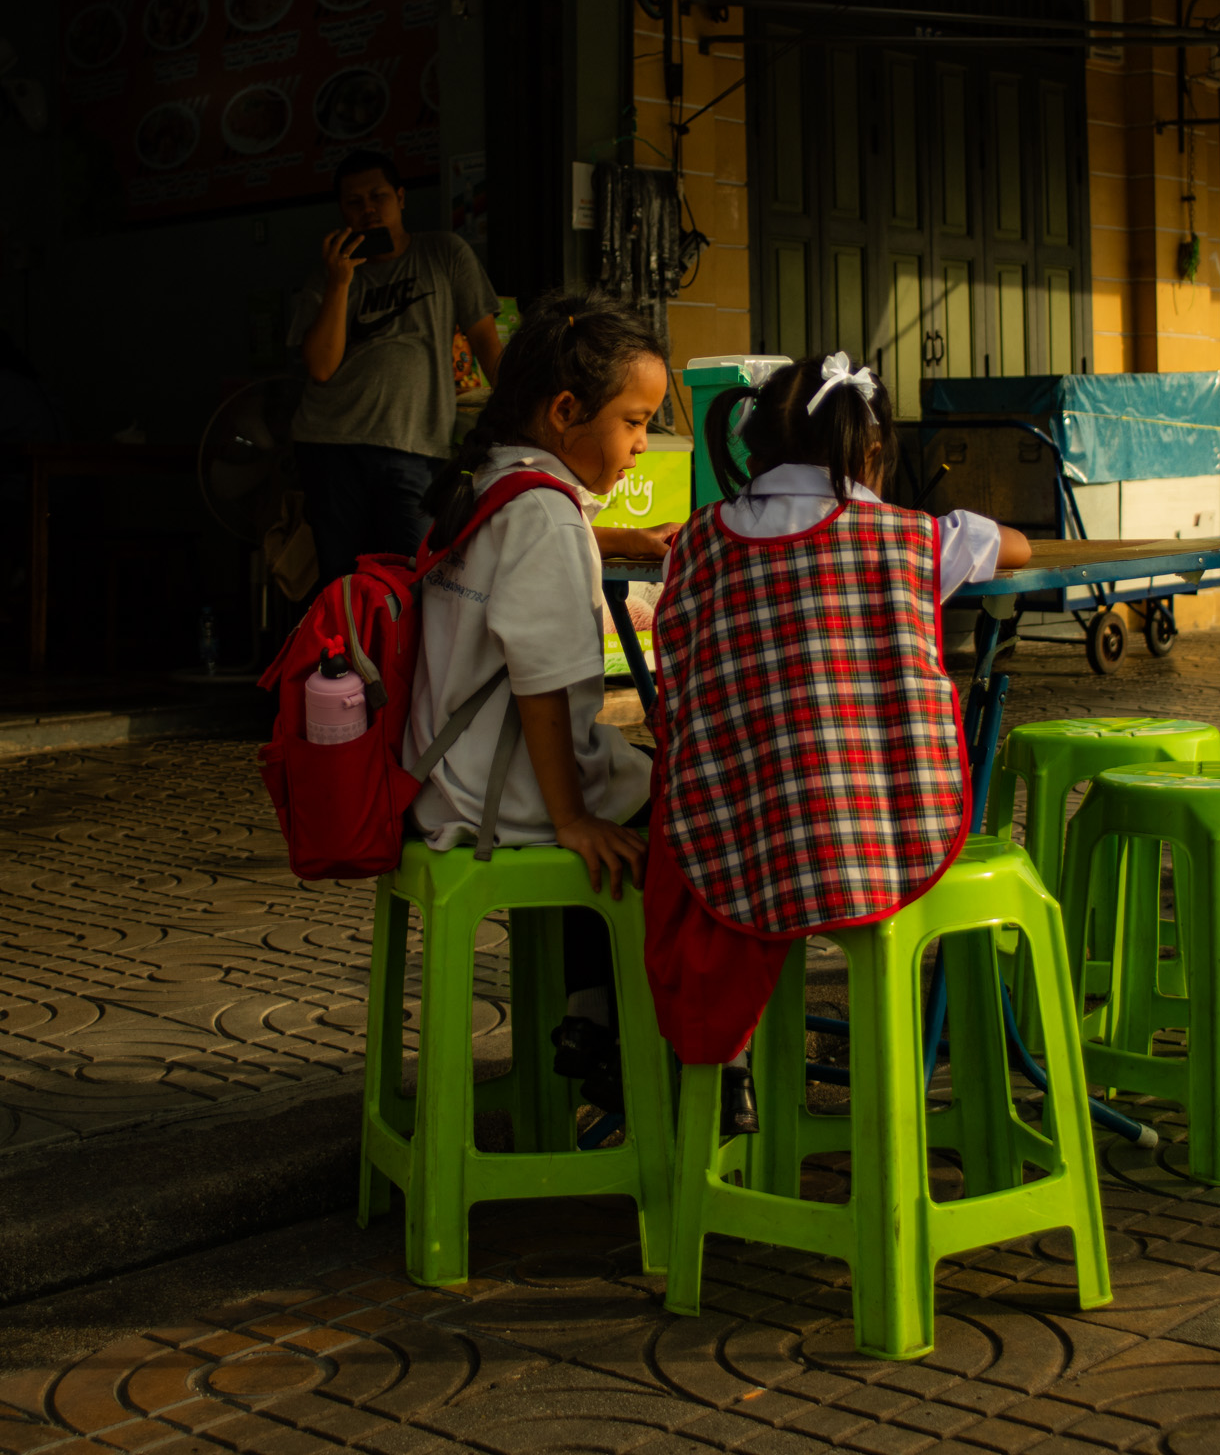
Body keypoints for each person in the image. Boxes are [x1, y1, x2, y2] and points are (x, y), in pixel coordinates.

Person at [643, 351, 1032, 1133]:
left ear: (751, 447)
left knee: (669, 819)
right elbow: (1012, 545)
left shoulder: (696, 545)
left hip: (744, 836)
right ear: (869, 450)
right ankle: (900, 1085)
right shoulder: (911, 540)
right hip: (887, 833)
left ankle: (723, 1058)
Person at [407, 289, 677, 1112]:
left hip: (443, 778)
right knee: (692, 815)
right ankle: (645, 1038)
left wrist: (621, 539)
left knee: (633, 791)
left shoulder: (490, 482)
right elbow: (544, 691)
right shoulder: (546, 519)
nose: (641, 445)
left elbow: (536, 536)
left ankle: (590, 1012)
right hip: (505, 796)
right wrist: (571, 820)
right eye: (634, 422)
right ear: (566, 411)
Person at [289, 150, 503, 587]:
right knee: (342, 583)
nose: (367, 209)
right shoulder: (329, 277)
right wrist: (340, 282)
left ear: (401, 198)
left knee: (416, 577)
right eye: (354, 202)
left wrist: (515, 410)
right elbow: (321, 367)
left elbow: (485, 340)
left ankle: (406, 660)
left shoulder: (443, 253)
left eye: (378, 196)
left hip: (414, 445)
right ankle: (346, 659)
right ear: (342, 211)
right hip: (331, 443)